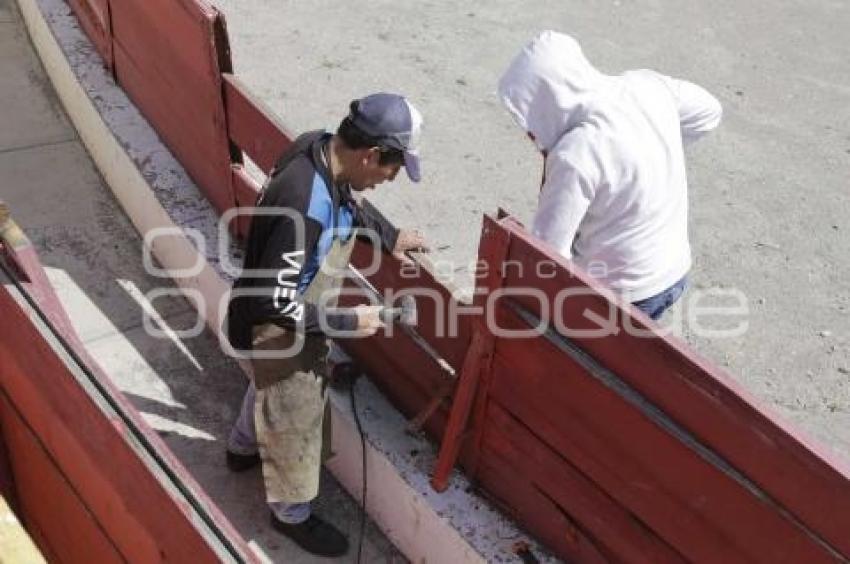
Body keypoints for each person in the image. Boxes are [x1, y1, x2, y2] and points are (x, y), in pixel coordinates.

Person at [223, 93, 427, 557]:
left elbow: (349, 203)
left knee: (268, 387)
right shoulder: (302, 207)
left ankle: (240, 449)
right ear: (371, 154)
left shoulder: (318, 145)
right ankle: (290, 514)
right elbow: (271, 304)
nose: (383, 182)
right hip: (277, 320)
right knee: (296, 415)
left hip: (280, 305)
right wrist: (346, 320)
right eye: (388, 172)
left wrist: (388, 235)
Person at [498, 31, 722, 319]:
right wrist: (651, 153)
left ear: (549, 100)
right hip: (674, 269)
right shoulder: (646, 87)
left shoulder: (576, 153)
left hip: (624, 293)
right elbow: (709, 112)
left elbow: (549, 254)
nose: (530, 133)